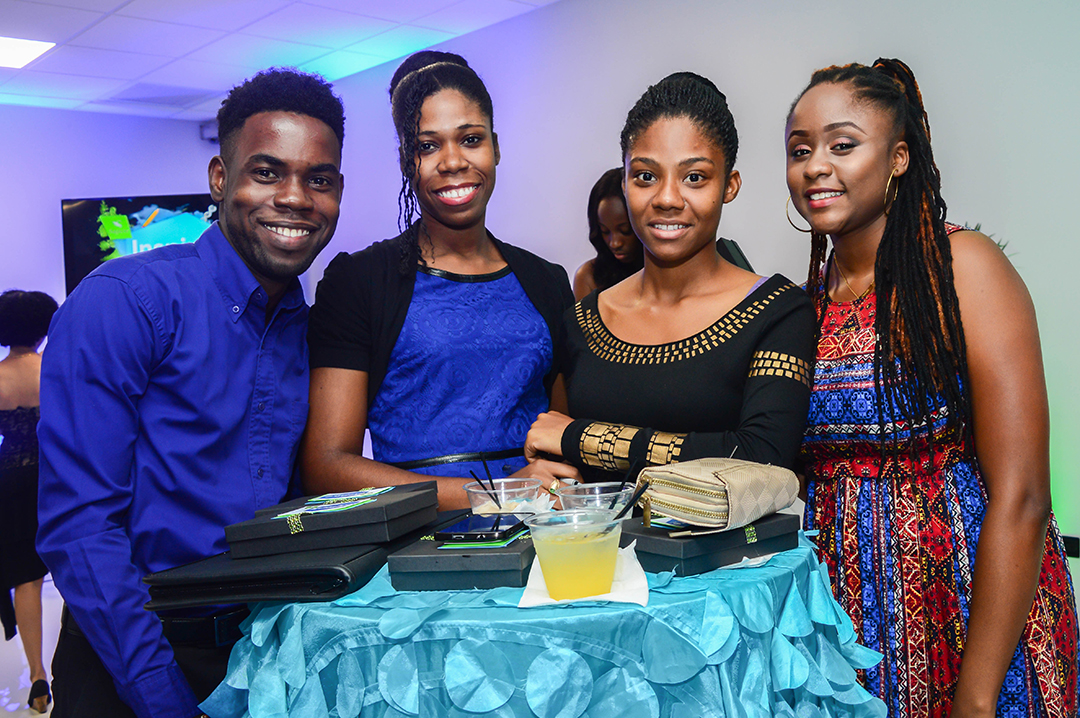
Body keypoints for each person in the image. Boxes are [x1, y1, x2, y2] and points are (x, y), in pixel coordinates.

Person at [36, 68, 345, 718]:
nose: (295, 198)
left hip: (258, 649)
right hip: (128, 658)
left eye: (318, 179)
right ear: (219, 177)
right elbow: (81, 527)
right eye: (267, 172)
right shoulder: (124, 302)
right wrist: (166, 702)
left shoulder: (305, 326)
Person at [786, 59, 1078, 717]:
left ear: (897, 158)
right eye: (800, 150)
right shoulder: (806, 303)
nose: (814, 166)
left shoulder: (963, 267)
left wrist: (976, 696)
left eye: (841, 144)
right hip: (848, 629)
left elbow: (1025, 495)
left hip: (973, 614)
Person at [302, 51, 577, 509]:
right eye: (428, 146)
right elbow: (326, 466)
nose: (452, 161)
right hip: (420, 546)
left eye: (470, 139)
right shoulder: (360, 281)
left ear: (495, 146)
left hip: (540, 532)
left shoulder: (545, 280)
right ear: (407, 161)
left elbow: (562, 434)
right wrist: (496, 494)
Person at [525, 72, 815, 482]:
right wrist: (546, 473)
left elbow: (763, 458)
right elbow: (557, 463)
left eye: (694, 177)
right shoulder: (581, 322)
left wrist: (580, 437)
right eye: (645, 176)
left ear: (729, 185)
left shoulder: (777, 311)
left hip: (732, 549)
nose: (666, 198)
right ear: (624, 183)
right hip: (603, 548)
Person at [0, 290, 58, 713]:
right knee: (74, 563)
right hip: (54, 475)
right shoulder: (53, 370)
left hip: (9, 478)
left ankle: (37, 674)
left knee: (26, 578)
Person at [572, 168, 643, 300]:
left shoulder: (667, 272)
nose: (615, 243)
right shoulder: (588, 276)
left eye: (625, 231)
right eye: (605, 231)